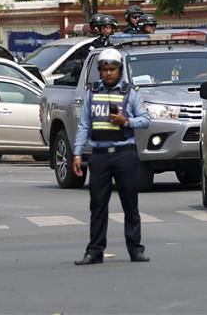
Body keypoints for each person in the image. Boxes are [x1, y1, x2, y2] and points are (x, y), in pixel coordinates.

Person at [72, 48, 151, 265]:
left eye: (112, 69)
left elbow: (145, 120)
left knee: (130, 204)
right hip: (99, 156)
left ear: (120, 70)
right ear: (99, 71)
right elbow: (84, 125)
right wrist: (77, 153)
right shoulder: (91, 92)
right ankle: (94, 251)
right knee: (97, 205)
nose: (108, 73)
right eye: (104, 69)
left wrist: (126, 121)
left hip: (124, 153)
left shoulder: (130, 93)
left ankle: (136, 249)